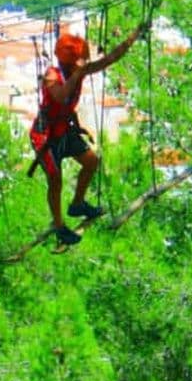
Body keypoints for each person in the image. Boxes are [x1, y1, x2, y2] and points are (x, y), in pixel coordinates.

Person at [33, 22, 146, 245]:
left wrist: (133, 37)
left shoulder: (77, 72)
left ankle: (78, 204)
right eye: (79, 59)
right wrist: (78, 75)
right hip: (45, 135)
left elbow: (108, 60)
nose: (82, 63)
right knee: (55, 179)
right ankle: (59, 226)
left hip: (64, 130)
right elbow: (60, 96)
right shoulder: (52, 75)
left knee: (92, 161)